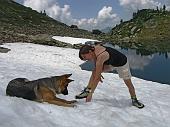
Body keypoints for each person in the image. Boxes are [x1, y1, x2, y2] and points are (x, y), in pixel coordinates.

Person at [75, 44, 144, 109]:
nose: (86, 59)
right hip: (110, 63)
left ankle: (134, 100)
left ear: (90, 52)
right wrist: (98, 72)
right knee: (95, 72)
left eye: (85, 57)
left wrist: (91, 94)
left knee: (128, 83)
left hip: (122, 63)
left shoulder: (101, 56)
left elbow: (97, 78)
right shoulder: (93, 50)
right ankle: (87, 91)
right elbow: (96, 61)